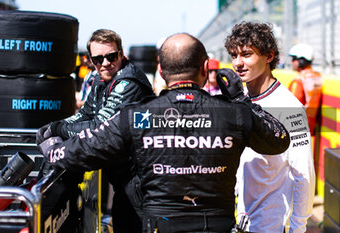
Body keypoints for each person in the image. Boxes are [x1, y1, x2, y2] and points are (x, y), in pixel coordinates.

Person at [38, 33, 290, 233]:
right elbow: (279, 140)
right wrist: (240, 99)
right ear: (205, 67)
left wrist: (50, 144)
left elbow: (73, 153)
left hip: (159, 224)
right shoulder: (234, 112)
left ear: (160, 70)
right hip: (216, 225)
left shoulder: (134, 116)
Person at [36, 29, 154, 233]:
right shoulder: (102, 79)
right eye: (98, 59)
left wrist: (58, 129)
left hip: (140, 179)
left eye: (111, 56)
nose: (105, 63)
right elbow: (85, 114)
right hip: (123, 176)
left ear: (121, 53)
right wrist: (54, 126)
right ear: (91, 60)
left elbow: (99, 128)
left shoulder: (128, 83)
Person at [223, 21, 316, 233]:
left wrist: (298, 227)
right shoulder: (241, 100)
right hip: (241, 221)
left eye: (246, 54)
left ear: (269, 56)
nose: (238, 63)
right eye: (234, 55)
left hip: (270, 225)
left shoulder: (288, 106)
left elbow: (304, 174)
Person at [288, 43, 323, 136]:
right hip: (309, 126)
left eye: (294, 59)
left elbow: (291, 107)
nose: (291, 62)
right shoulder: (317, 76)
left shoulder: (299, 81)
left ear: (302, 60)